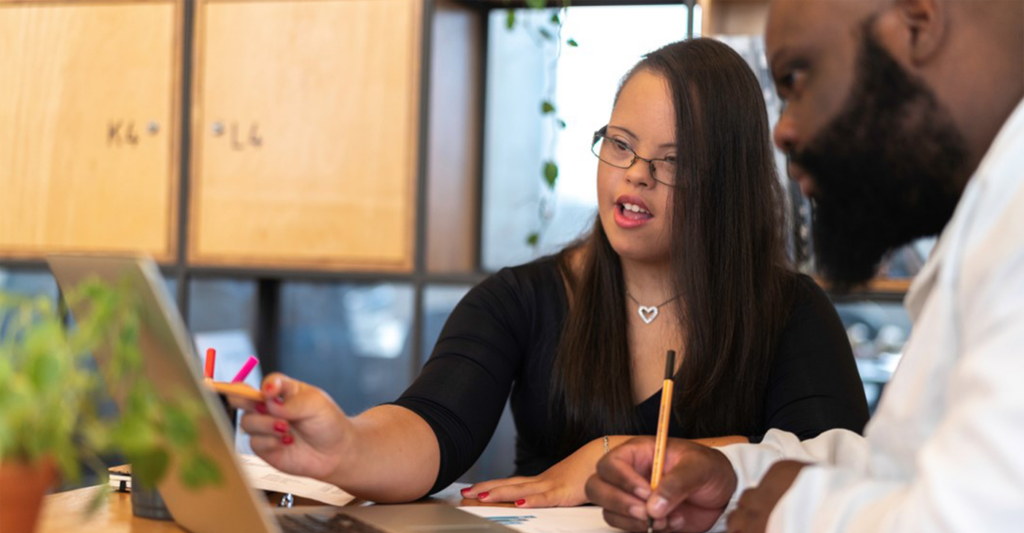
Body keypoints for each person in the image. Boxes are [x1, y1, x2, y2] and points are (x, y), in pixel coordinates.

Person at [228, 38, 868, 507]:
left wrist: (612, 452)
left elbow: (834, 469)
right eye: (621, 145)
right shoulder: (522, 299)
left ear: (728, 186)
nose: (635, 175)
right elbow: (432, 426)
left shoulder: (791, 313)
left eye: (673, 161)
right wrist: (344, 445)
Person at [585, 0, 1024, 533]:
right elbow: (907, 469)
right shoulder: (992, 224)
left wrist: (795, 522)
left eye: (796, 79)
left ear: (916, 26)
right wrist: (736, 480)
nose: (785, 133)